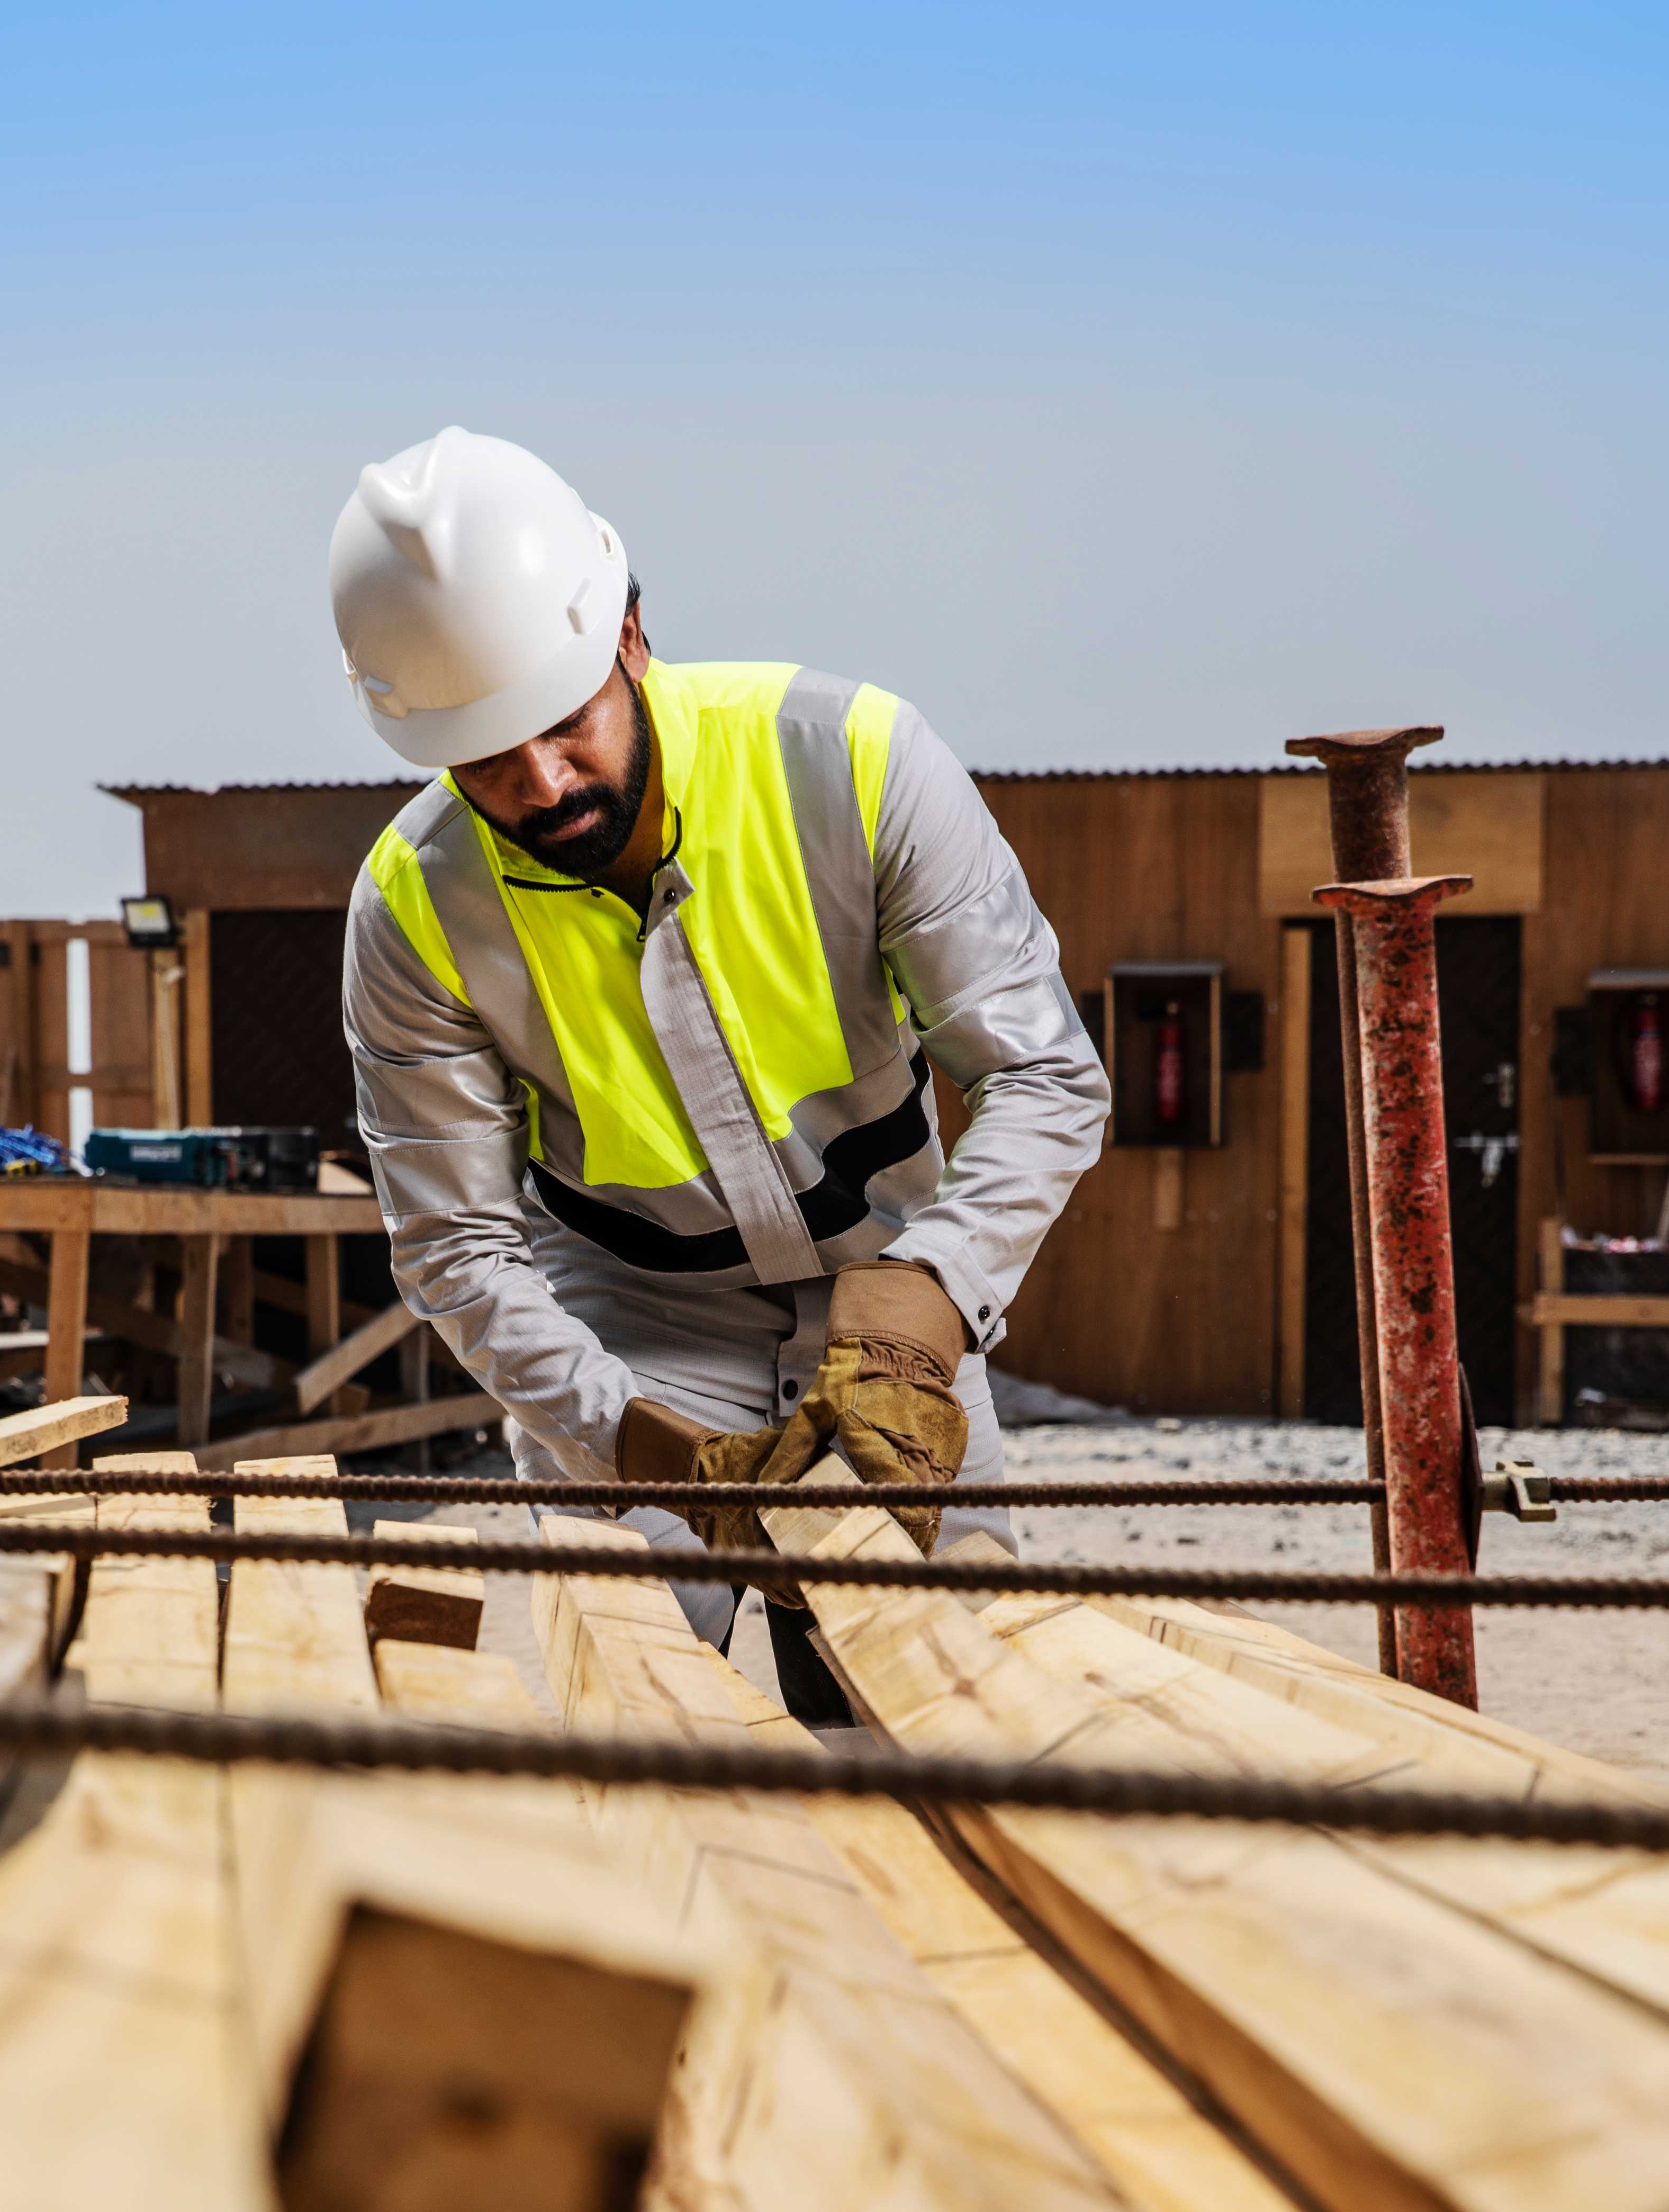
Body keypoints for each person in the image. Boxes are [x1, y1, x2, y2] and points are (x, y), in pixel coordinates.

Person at [331, 425, 1108, 1719]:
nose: (538, 784)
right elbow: (457, 1246)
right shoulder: (412, 909)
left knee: (934, 1704)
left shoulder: (855, 762)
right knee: (642, 1706)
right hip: (633, 1328)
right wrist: (614, 1429)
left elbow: (1040, 1079)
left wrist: (935, 1293)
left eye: (562, 724)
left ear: (628, 636)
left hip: (888, 1294)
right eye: (482, 758)